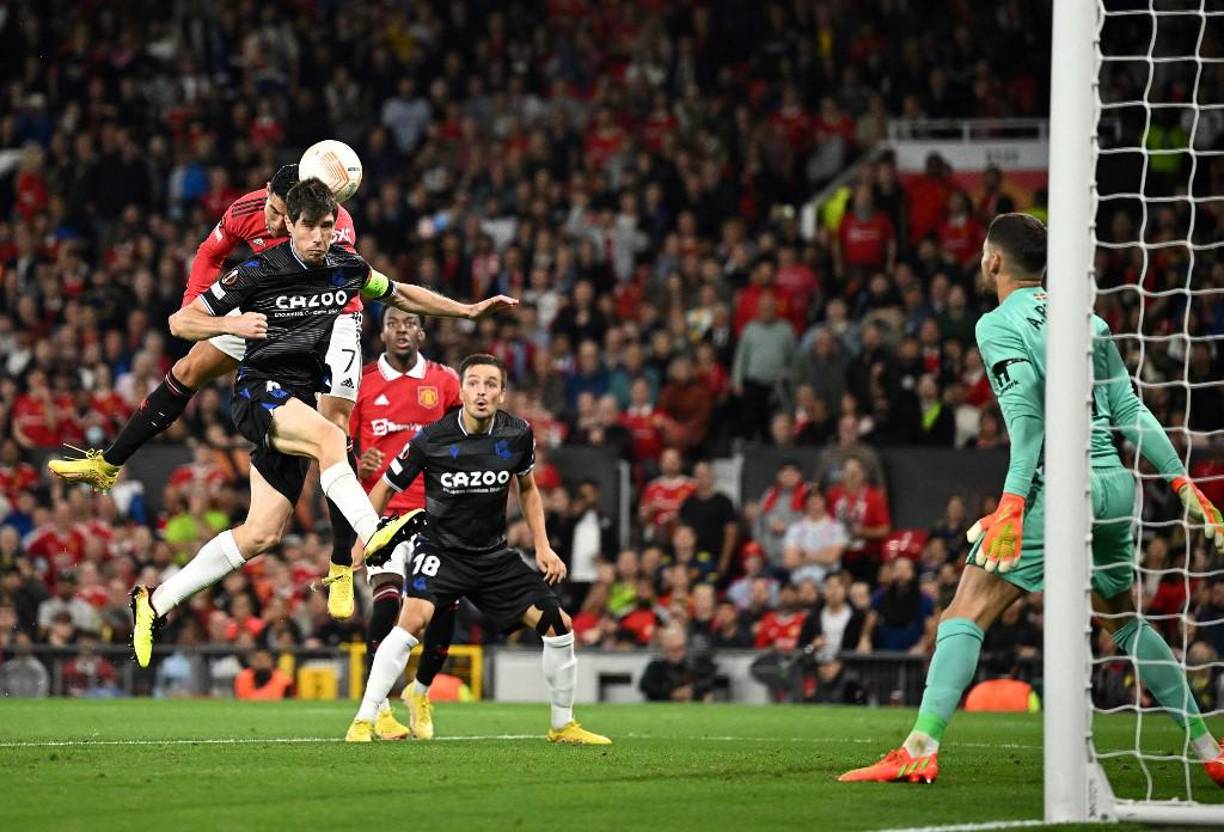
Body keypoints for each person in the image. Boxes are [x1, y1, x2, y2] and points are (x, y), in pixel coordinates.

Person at [841, 213, 1224, 785]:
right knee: (1122, 620)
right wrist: (1180, 481)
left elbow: (1028, 424)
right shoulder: (1085, 320)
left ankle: (919, 746)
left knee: (967, 607)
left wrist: (1011, 504)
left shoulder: (997, 324)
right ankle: (1209, 748)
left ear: (994, 260)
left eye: (983, 254)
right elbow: (1129, 411)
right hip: (1117, 486)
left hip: (1059, 484)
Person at [51, 162, 512, 620]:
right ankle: (373, 535)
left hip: (304, 385)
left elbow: (400, 294)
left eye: (326, 227)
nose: (318, 236)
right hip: (258, 391)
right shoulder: (257, 269)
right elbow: (180, 320)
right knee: (331, 436)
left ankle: (155, 603)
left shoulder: (346, 265)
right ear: (290, 222)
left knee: (262, 532)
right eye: (307, 226)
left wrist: (468, 312)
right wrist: (228, 323)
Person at [347, 354, 609, 745]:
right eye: (473, 383)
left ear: (502, 394)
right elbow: (385, 486)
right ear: (462, 389)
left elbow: (528, 488)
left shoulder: (517, 434)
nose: (481, 392)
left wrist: (543, 547)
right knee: (412, 620)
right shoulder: (432, 438)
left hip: (491, 557)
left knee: (560, 626)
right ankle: (364, 719)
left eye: (490, 384)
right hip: (440, 551)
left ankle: (562, 725)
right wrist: (363, 538)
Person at [349, 305, 462, 740]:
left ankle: (420, 690)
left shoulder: (446, 382)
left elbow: (463, 439)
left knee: (444, 608)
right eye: (393, 323)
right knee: (388, 596)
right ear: (381, 334)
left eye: (410, 323)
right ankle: (376, 707)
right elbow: (336, 450)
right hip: (384, 513)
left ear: (422, 333)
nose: (402, 330)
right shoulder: (361, 382)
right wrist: (361, 464)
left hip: (437, 514)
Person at [639, 625, 718, 703]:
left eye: (680, 648)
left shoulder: (696, 665)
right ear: (664, 649)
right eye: (672, 649)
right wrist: (672, 694)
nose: (676, 653)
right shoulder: (655, 667)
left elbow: (708, 682)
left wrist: (692, 690)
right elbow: (645, 687)